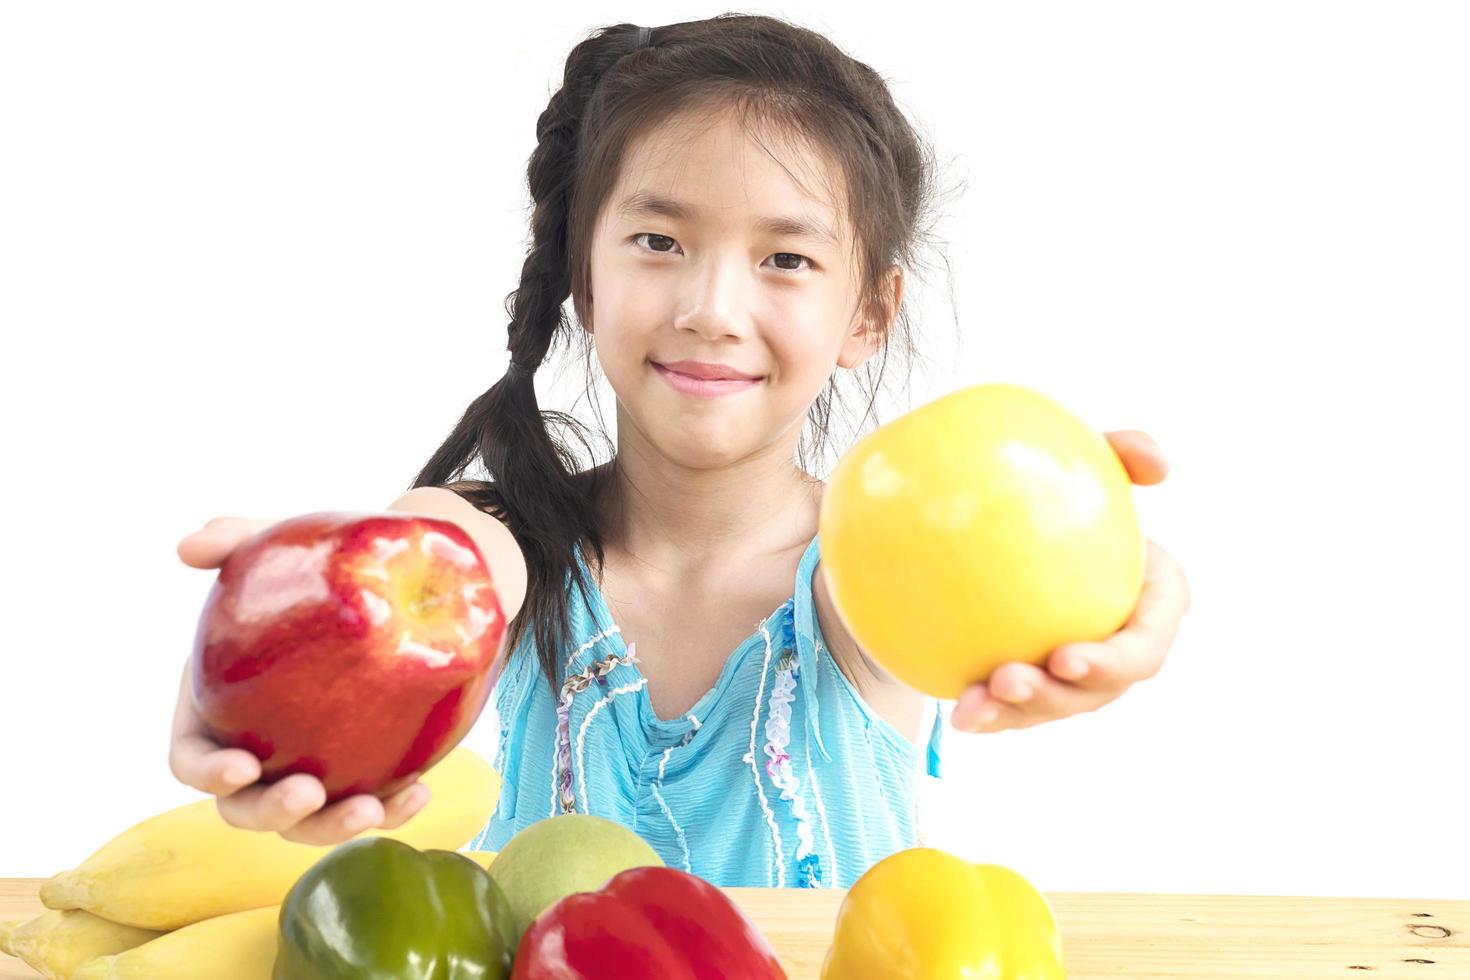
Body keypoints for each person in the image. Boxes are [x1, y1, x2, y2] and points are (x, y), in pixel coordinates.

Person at [169, 15, 1191, 888]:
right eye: (660, 242)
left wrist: (1107, 576)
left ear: (867, 314)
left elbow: (996, 564)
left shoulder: (871, 571)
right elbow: (441, 560)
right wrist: (312, 615)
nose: (711, 309)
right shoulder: (510, 539)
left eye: (785, 259)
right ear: (586, 272)